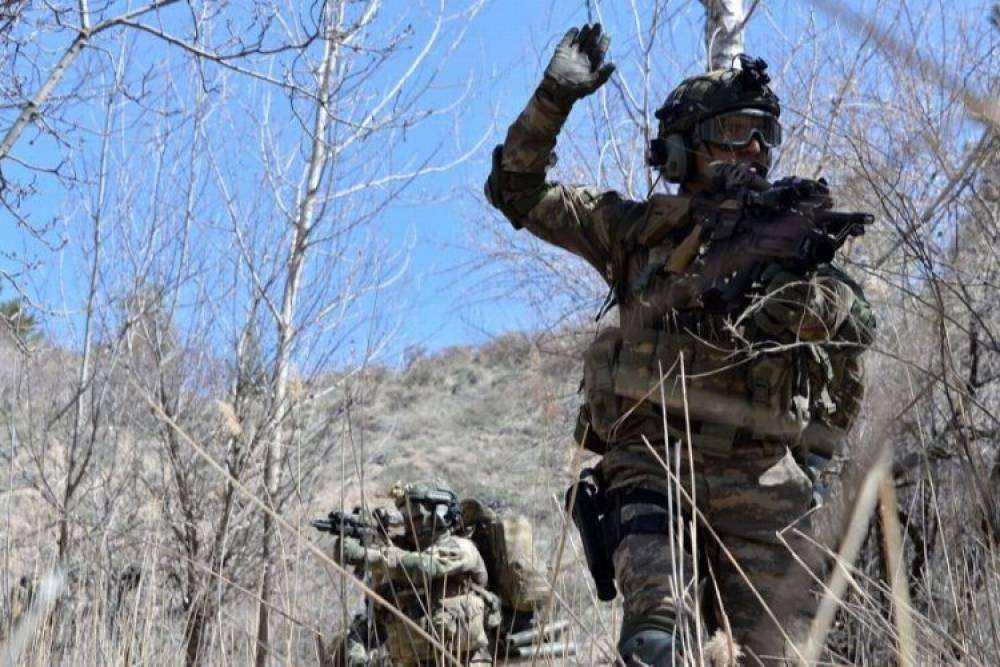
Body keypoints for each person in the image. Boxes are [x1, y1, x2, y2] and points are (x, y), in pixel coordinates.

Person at [485, 23, 875, 665]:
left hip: (761, 476)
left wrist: (810, 307)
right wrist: (553, 99)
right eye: (734, 132)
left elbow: (851, 346)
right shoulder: (634, 231)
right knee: (656, 640)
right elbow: (517, 189)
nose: (754, 149)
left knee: (787, 653)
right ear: (681, 150)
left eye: (765, 134)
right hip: (652, 468)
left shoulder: (792, 239)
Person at [331, 481, 499, 666]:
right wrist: (355, 656)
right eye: (407, 518)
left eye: (417, 518)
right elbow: (374, 625)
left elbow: (424, 566)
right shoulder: (399, 566)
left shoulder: (462, 547)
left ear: (441, 514)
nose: (411, 525)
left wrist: (365, 555)